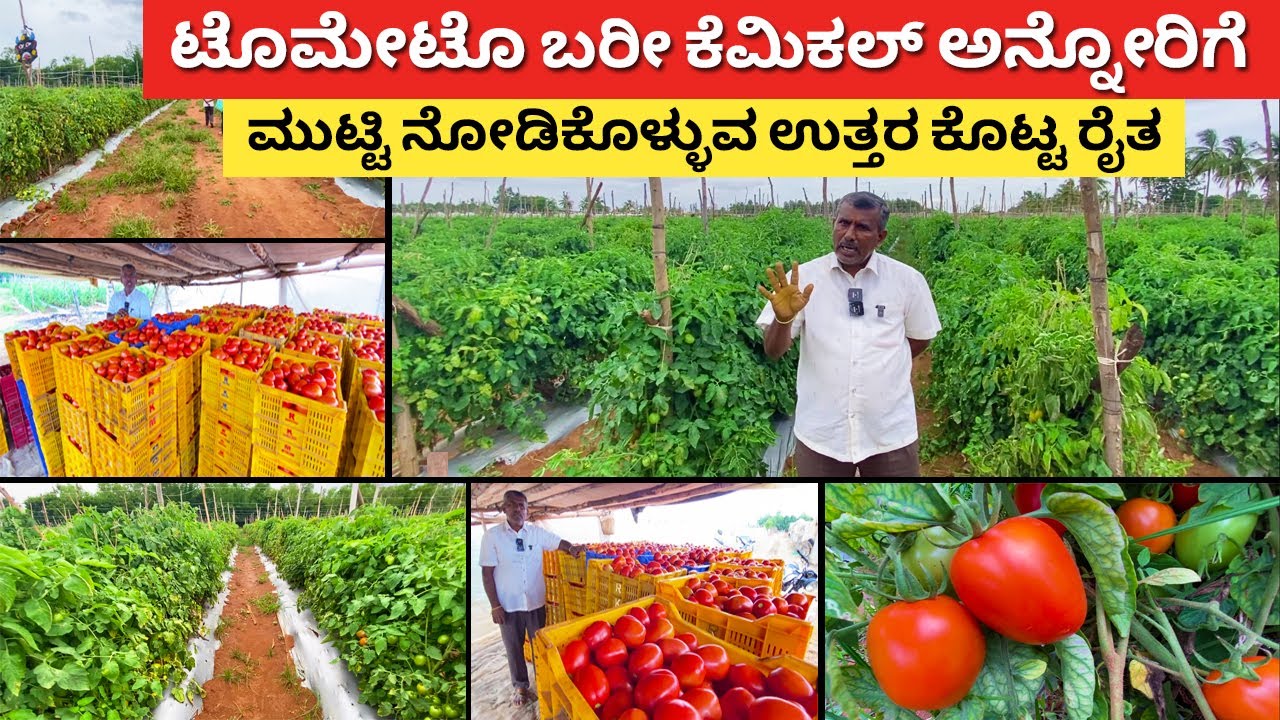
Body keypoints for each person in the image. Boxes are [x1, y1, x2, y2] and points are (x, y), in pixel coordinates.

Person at [755, 191, 941, 477]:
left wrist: (883, 363)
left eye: (862, 227)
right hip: (822, 435)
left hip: (889, 434)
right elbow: (773, 351)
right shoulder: (803, 279)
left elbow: (920, 338)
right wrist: (783, 319)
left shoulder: (907, 281)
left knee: (899, 509)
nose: (849, 234)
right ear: (833, 224)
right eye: (843, 223)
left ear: (881, 237)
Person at [480, 490, 584, 708]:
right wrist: (494, 605)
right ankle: (520, 686)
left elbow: (558, 543)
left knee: (539, 645)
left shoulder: (536, 533)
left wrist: (572, 549)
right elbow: (487, 573)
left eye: (522, 506)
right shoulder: (492, 536)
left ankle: (542, 679)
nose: (518, 509)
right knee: (514, 647)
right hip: (508, 605)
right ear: (504, 508)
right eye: (513, 505)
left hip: (536, 602)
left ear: (527, 510)